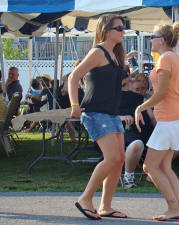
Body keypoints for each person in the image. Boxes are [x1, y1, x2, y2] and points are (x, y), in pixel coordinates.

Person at [68, 14, 127, 220]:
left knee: (119, 160)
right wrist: (74, 105)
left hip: (111, 113)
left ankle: (106, 206)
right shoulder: (98, 52)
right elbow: (73, 77)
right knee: (112, 158)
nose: (123, 31)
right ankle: (85, 198)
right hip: (95, 112)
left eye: (123, 27)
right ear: (106, 30)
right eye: (119, 28)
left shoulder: (115, 54)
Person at [134, 22, 179, 221]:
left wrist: (141, 107)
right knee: (165, 167)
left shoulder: (165, 59)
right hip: (177, 117)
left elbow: (161, 93)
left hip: (168, 119)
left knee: (149, 166)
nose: (150, 40)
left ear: (161, 40)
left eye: (152, 36)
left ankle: (174, 207)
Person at [120, 79, 155, 188]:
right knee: (136, 144)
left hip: (147, 130)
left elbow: (153, 120)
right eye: (137, 89)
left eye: (143, 88)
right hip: (128, 131)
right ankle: (128, 177)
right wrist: (122, 117)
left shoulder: (147, 100)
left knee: (173, 144)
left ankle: (154, 172)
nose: (140, 91)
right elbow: (107, 117)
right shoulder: (118, 98)